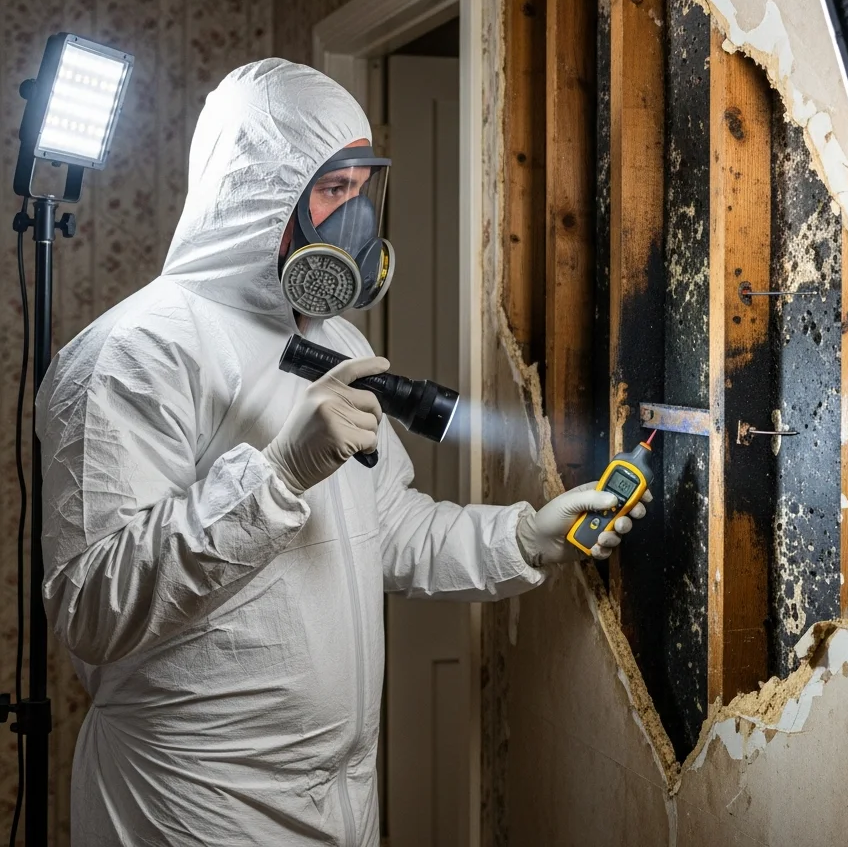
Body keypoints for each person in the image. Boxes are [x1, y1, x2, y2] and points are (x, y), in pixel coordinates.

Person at [37, 59, 647, 847]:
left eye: (361, 189)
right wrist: (275, 475)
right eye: (332, 191)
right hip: (195, 800)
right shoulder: (132, 353)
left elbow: (386, 529)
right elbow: (93, 607)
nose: (353, 219)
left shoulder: (334, 340)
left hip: (341, 794)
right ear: (256, 193)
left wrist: (527, 536)